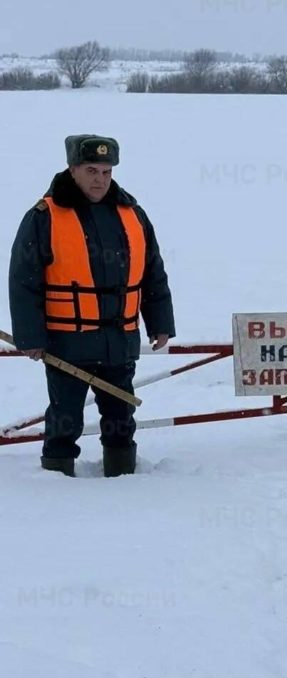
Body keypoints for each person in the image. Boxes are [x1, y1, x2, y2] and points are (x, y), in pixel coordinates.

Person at [8, 134, 175, 478]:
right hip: (67, 343)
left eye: (106, 172)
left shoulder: (132, 214)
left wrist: (160, 323)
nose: (100, 180)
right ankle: (57, 479)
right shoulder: (44, 216)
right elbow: (24, 282)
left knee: (120, 417)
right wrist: (30, 336)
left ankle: (123, 476)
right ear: (72, 170)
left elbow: (153, 272)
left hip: (120, 340)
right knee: (65, 417)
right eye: (91, 171)